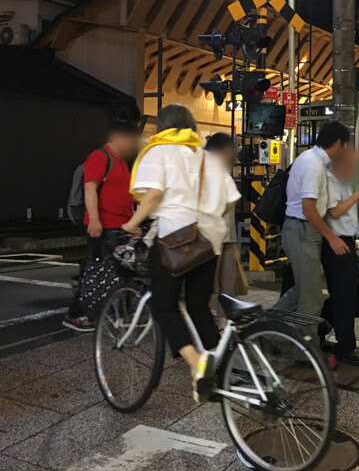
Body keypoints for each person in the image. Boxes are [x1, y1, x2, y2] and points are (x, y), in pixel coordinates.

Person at [124, 104, 240, 402]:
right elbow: (229, 201)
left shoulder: (159, 151)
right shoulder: (207, 157)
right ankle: (217, 370)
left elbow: (153, 195)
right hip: (208, 242)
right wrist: (204, 214)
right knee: (199, 306)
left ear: (164, 126)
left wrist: (132, 224)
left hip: (174, 241)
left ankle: (198, 364)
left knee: (165, 307)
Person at [273, 120, 351, 339]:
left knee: (301, 291)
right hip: (302, 231)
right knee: (311, 297)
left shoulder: (312, 160)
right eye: (344, 145)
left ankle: (265, 329)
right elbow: (308, 209)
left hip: (302, 230)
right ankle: (306, 351)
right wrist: (332, 237)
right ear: (337, 142)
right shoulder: (313, 164)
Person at [63, 120, 139, 332]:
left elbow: (125, 194)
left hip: (120, 227)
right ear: (117, 137)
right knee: (96, 273)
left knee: (121, 271)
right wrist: (95, 220)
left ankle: (120, 314)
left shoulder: (121, 161)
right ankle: (75, 315)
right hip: (104, 227)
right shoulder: (100, 157)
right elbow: (90, 189)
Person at [319, 146, 359, 366]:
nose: (354, 168)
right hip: (336, 244)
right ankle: (345, 348)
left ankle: (319, 329)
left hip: (346, 242)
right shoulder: (331, 180)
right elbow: (335, 211)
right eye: (350, 164)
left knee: (345, 296)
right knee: (345, 298)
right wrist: (358, 195)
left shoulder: (344, 181)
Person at [205, 133, 248, 325]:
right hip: (208, 240)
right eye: (229, 151)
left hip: (228, 239)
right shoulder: (203, 173)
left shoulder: (224, 172)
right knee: (207, 287)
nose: (232, 157)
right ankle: (203, 327)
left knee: (228, 286)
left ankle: (224, 325)